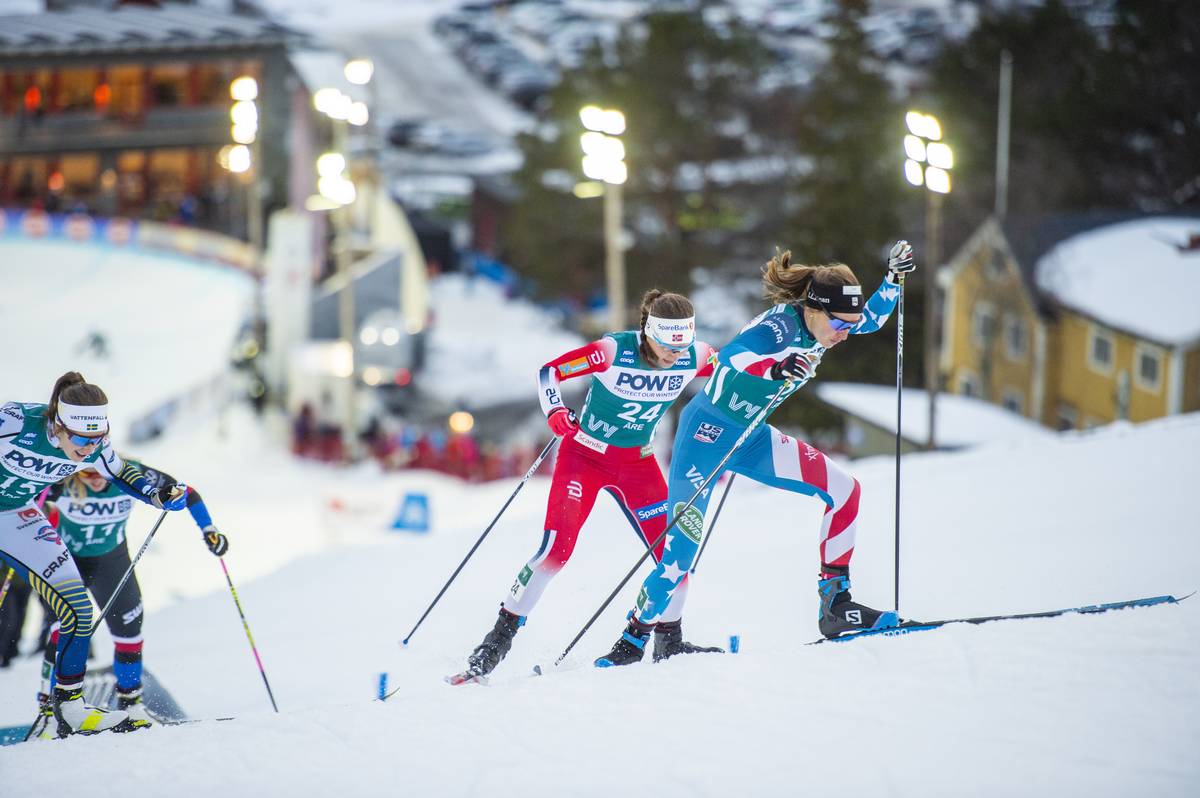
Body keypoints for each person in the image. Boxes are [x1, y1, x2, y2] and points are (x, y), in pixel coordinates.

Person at [595, 241, 916, 665]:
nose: (845, 333)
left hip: (750, 437)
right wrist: (776, 367)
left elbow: (871, 318)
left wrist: (893, 279)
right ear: (815, 310)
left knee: (845, 490)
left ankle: (835, 604)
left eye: (848, 324)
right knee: (680, 554)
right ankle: (632, 642)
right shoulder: (779, 330)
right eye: (840, 323)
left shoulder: (828, 322)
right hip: (705, 438)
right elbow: (730, 360)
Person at [455, 290, 722, 681]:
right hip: (585, 459)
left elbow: (739, 374)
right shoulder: (612, 351)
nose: (674, 357)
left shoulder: (698, 356)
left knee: (676, 557)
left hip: (638, 463)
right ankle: (497, 640)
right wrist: (556, 410)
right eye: (667, 346)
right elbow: (549, 372)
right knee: (556, 552)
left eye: (682, 348)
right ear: (649, 332)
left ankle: (669, 640)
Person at [0, 372, 191, 736]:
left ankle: (69, 706)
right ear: (57, 425)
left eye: (97, 438)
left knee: (78, 611)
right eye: (80, 440)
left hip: (15, 515)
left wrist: (158, 495)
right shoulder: (16, 420)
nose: (88, 450)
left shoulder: (96, 449)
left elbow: (124, 473)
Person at [29, 460, 228, 735]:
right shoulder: (63, 481)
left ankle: (131, 705)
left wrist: (209, 530)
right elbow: (22, 501)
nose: (95, 479)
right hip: (69, 563)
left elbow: (187, 492)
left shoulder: (129, 474)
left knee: (129, 634)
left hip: (112, 564)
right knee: (63, 632)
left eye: (101, 473)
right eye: (87, 473)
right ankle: (51, 712)